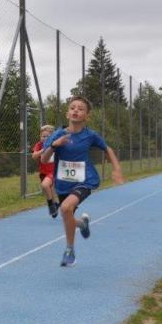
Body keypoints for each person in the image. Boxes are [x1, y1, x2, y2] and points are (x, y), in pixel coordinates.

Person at [41, 95, 125, 267]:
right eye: (72, 108)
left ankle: (69, 250)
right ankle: (83, 224)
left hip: (85, 180)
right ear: (67, 114)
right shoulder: (57, 134)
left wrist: (117, 169)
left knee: (65, 208)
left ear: (86, 116)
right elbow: (43, 159)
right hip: (63, 183)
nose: (76, 111)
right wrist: (55, 145)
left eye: (80, 109)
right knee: (68, 215)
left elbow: (107, 149)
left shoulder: (90, 135)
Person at [32, 125, 59, 218]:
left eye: (47, 136)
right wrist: (43, 150)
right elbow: (34, 156)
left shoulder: (55, 145)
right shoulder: (39, 145)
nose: (45, 138)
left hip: (53, 171)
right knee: (49, 189)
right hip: (43, 172)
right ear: (40, 136)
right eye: (43, 136)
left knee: (45, 185)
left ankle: (51, 206)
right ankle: (55, 205)